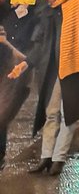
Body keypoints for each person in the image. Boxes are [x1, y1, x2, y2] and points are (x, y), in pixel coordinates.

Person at [29, 0, 79, 176]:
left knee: (69, 114)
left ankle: (59, 158)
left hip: (73, 65)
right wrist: (28, 61)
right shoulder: (48, 9)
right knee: (51, 113)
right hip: (51, 68)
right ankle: (46, 157)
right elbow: (39, 37)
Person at [0, 23, 29, 168]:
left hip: (7, 72)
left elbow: (26, 59)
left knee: (1, 116)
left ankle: (0, 156)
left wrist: (5, 42)